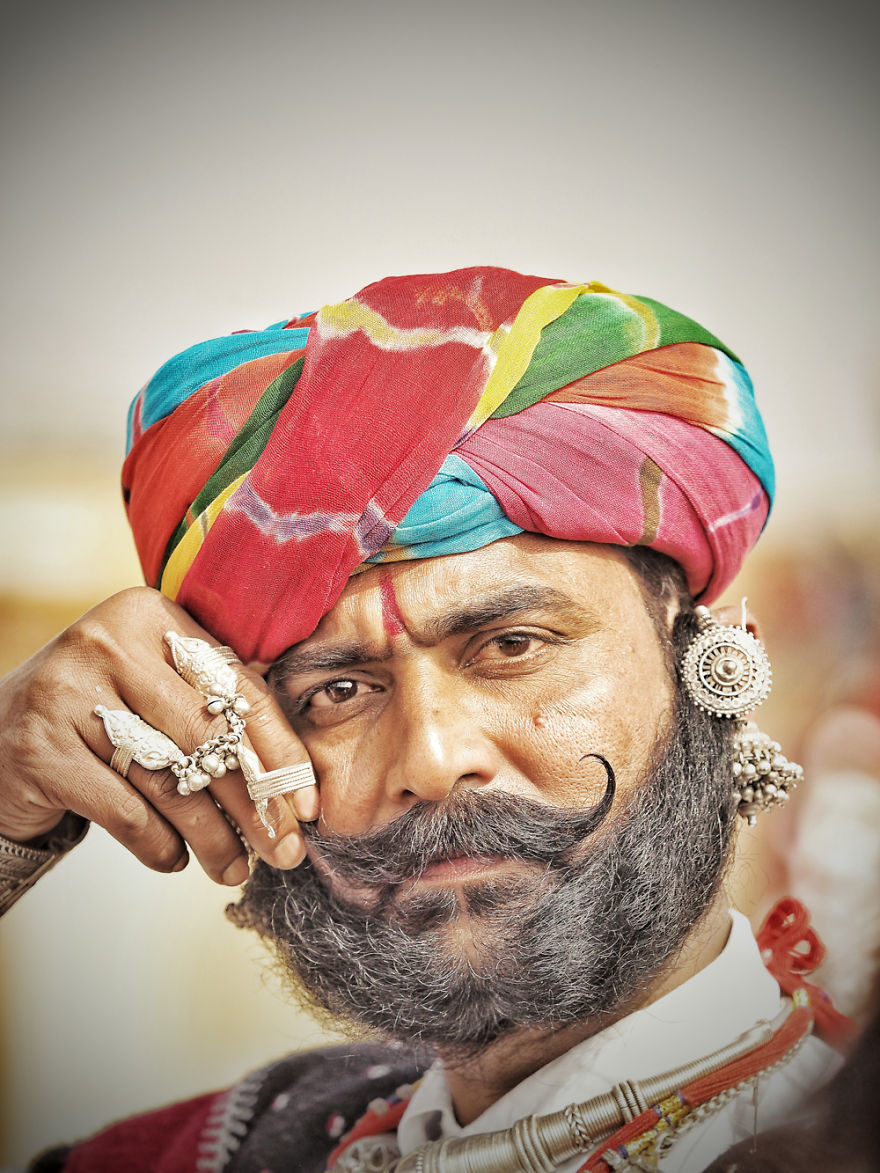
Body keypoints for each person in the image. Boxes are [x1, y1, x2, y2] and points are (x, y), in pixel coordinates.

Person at [0, 268, 856, 1173]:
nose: (433, 758)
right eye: (337, 691)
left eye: (513, 644)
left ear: (708, 662)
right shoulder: (221, 1150)